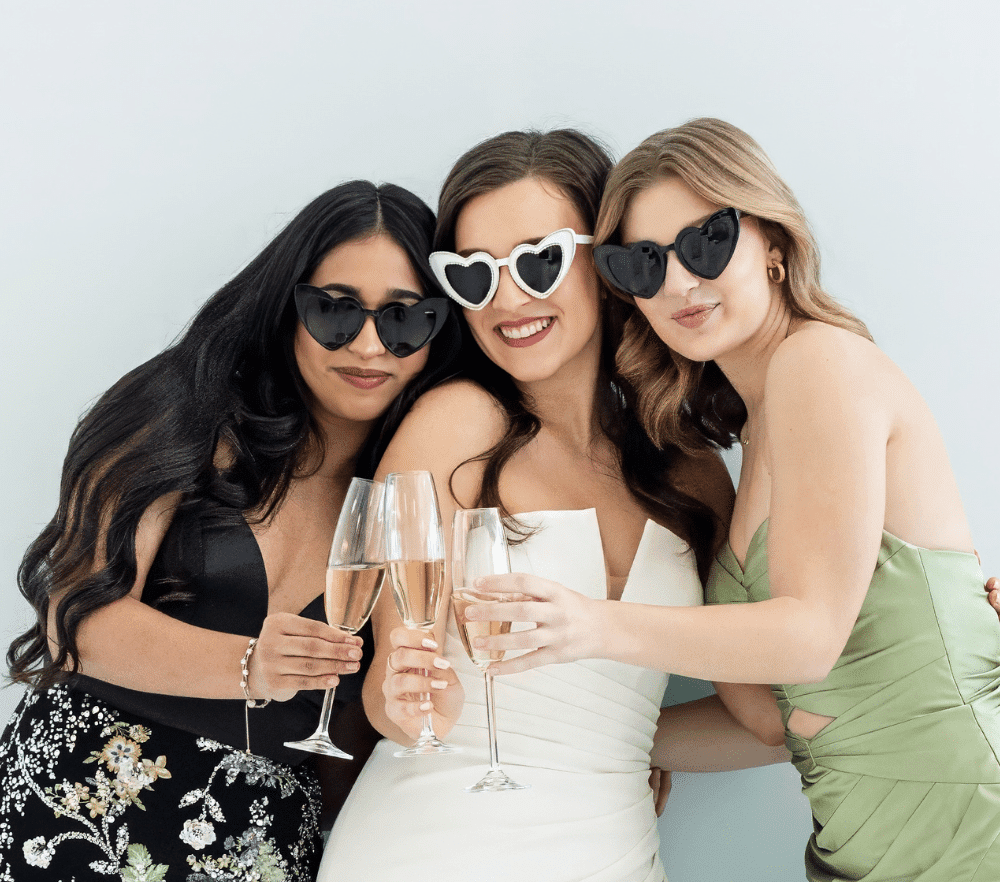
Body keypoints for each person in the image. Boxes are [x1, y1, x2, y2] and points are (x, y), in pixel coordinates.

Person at [471, 118, 1000, 881]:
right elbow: (767, 721)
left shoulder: (820, 363)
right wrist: (592, 738)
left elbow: (810, 640)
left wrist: (590, 626)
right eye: (642, 263)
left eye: (706, 242)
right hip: (861, 843)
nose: (679, 281)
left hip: (970, 821)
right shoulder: (738, 450)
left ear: (774, 244)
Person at [318, 130, 782, 882]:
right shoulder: (453, 425)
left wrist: (959, 644)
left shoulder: (693, 469)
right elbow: (393, 687)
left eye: (539, 262)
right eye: (473, 277)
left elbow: (766, 722)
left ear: (604, 265)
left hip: (613, 850)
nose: (508, 298)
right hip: (432, 844)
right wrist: (404, 694)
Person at [0, 181, 460, 881]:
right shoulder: (185, 409)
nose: (370, 345)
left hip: (260, 841)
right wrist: (250, 667)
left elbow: (364, 728)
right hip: (81, 802)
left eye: (404, 320)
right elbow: (75, 614)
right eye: (334, 311)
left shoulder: (417, 488)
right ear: (287, 307)